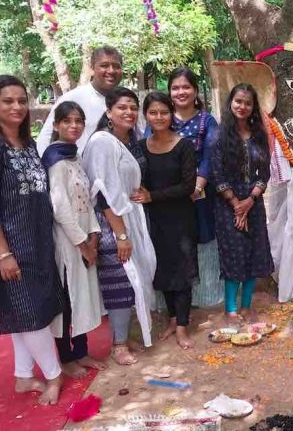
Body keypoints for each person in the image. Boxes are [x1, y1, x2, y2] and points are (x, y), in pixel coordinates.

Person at [0, 75, 64, 405]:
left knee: (27, 312)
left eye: (22, 100)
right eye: (8, 101)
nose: (17, 107)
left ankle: (24, 376)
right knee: (29, 312)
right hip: (10, 246)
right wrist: (2, 252)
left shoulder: (28, 144)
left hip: (38, 240)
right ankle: (54, 374)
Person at [81, 88, 156, 366]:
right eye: (122, 107)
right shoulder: (102, 142)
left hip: (132, 218)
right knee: (121, 282)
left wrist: (143, 191)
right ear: (109, 112)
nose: (129, 112)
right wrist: (121, 234)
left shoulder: (130, 141)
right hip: (112, 224)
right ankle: (119, 345)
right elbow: (102, 193)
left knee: (135, 278)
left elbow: (128, 179)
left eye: (133, 107)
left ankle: (124, 335)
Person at [41, 101, 107, 377]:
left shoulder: (74, 157)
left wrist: (93, 236)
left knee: (84, 296)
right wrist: (81, 243)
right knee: (68, 298)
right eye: (67, 121)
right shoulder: (55, 160)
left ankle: (81, 352)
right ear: (56, 125)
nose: (74, 126)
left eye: (79, 121)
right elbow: (60, 209)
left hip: (84, 239)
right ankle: (66, 358)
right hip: (67, 243)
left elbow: (87, 202)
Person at [149, 67, 223, 308]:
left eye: (186, 87)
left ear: (195, 90)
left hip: (197, 196)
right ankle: (169, 302)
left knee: (200, 240)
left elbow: (210, 157)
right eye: (175, 87)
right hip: (164, 197)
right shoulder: (160, 118)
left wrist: (195, 188)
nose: (181, 92)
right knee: (168, 242)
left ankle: (203, 298)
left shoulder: (207, 120)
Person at [133, 92, 198, 349]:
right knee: (161, 270)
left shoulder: (184, 145)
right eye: (153, 112)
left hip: (180, 219)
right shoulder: (140, 146)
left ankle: (182, 326)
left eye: (163, 112)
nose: (158, 117)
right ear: (146, 116)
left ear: (171, 114)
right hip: (153, 221)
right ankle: (172, 319)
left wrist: (152, 196)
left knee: (182, 271)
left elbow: (188, 186)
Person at [212, 84, 274, 324]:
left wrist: (250, 200)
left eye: (247, 103)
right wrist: (236, 204)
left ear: (253, 107)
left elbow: (264, 171)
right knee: (233, 255)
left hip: (254, 203)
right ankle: (230, 309)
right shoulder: (219, 135)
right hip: (227, 205)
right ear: (231, 103)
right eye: (238, 101)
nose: (242, 107)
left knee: (252, 254)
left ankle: (246, 307)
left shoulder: (258, 134)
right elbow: (217, 173)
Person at [36, 46, 124, 155]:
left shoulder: (126, 102)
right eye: (104, 65)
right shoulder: (73, 98)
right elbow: (45, 139)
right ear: (92, 68)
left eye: (116, 66)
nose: (111, 71)